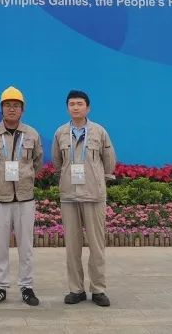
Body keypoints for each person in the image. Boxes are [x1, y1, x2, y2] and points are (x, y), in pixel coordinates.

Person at [51, 90, 116, 307]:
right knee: (72, 246)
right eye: (72, 104)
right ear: (67, 108)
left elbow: (109, 160)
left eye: (80, 104)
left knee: (96, 245)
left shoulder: (99, 132)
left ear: (88, 108)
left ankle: (98, 289)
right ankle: (76, 289)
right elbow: (57, 162)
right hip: (69, 195)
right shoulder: (60, 133)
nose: (76, 107)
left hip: (93, 195)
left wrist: (98, 180)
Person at [0, 86, 44, 306]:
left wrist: (25, 177)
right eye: (7, 105)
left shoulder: (32, 134)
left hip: (25, 198)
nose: (11, 109)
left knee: (26, 246)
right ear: (1, 108)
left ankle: (27, 286)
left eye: (16, 105)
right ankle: (0, 287)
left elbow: (37, 161)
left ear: (22, 109)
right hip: (0, 197)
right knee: (0, 246)